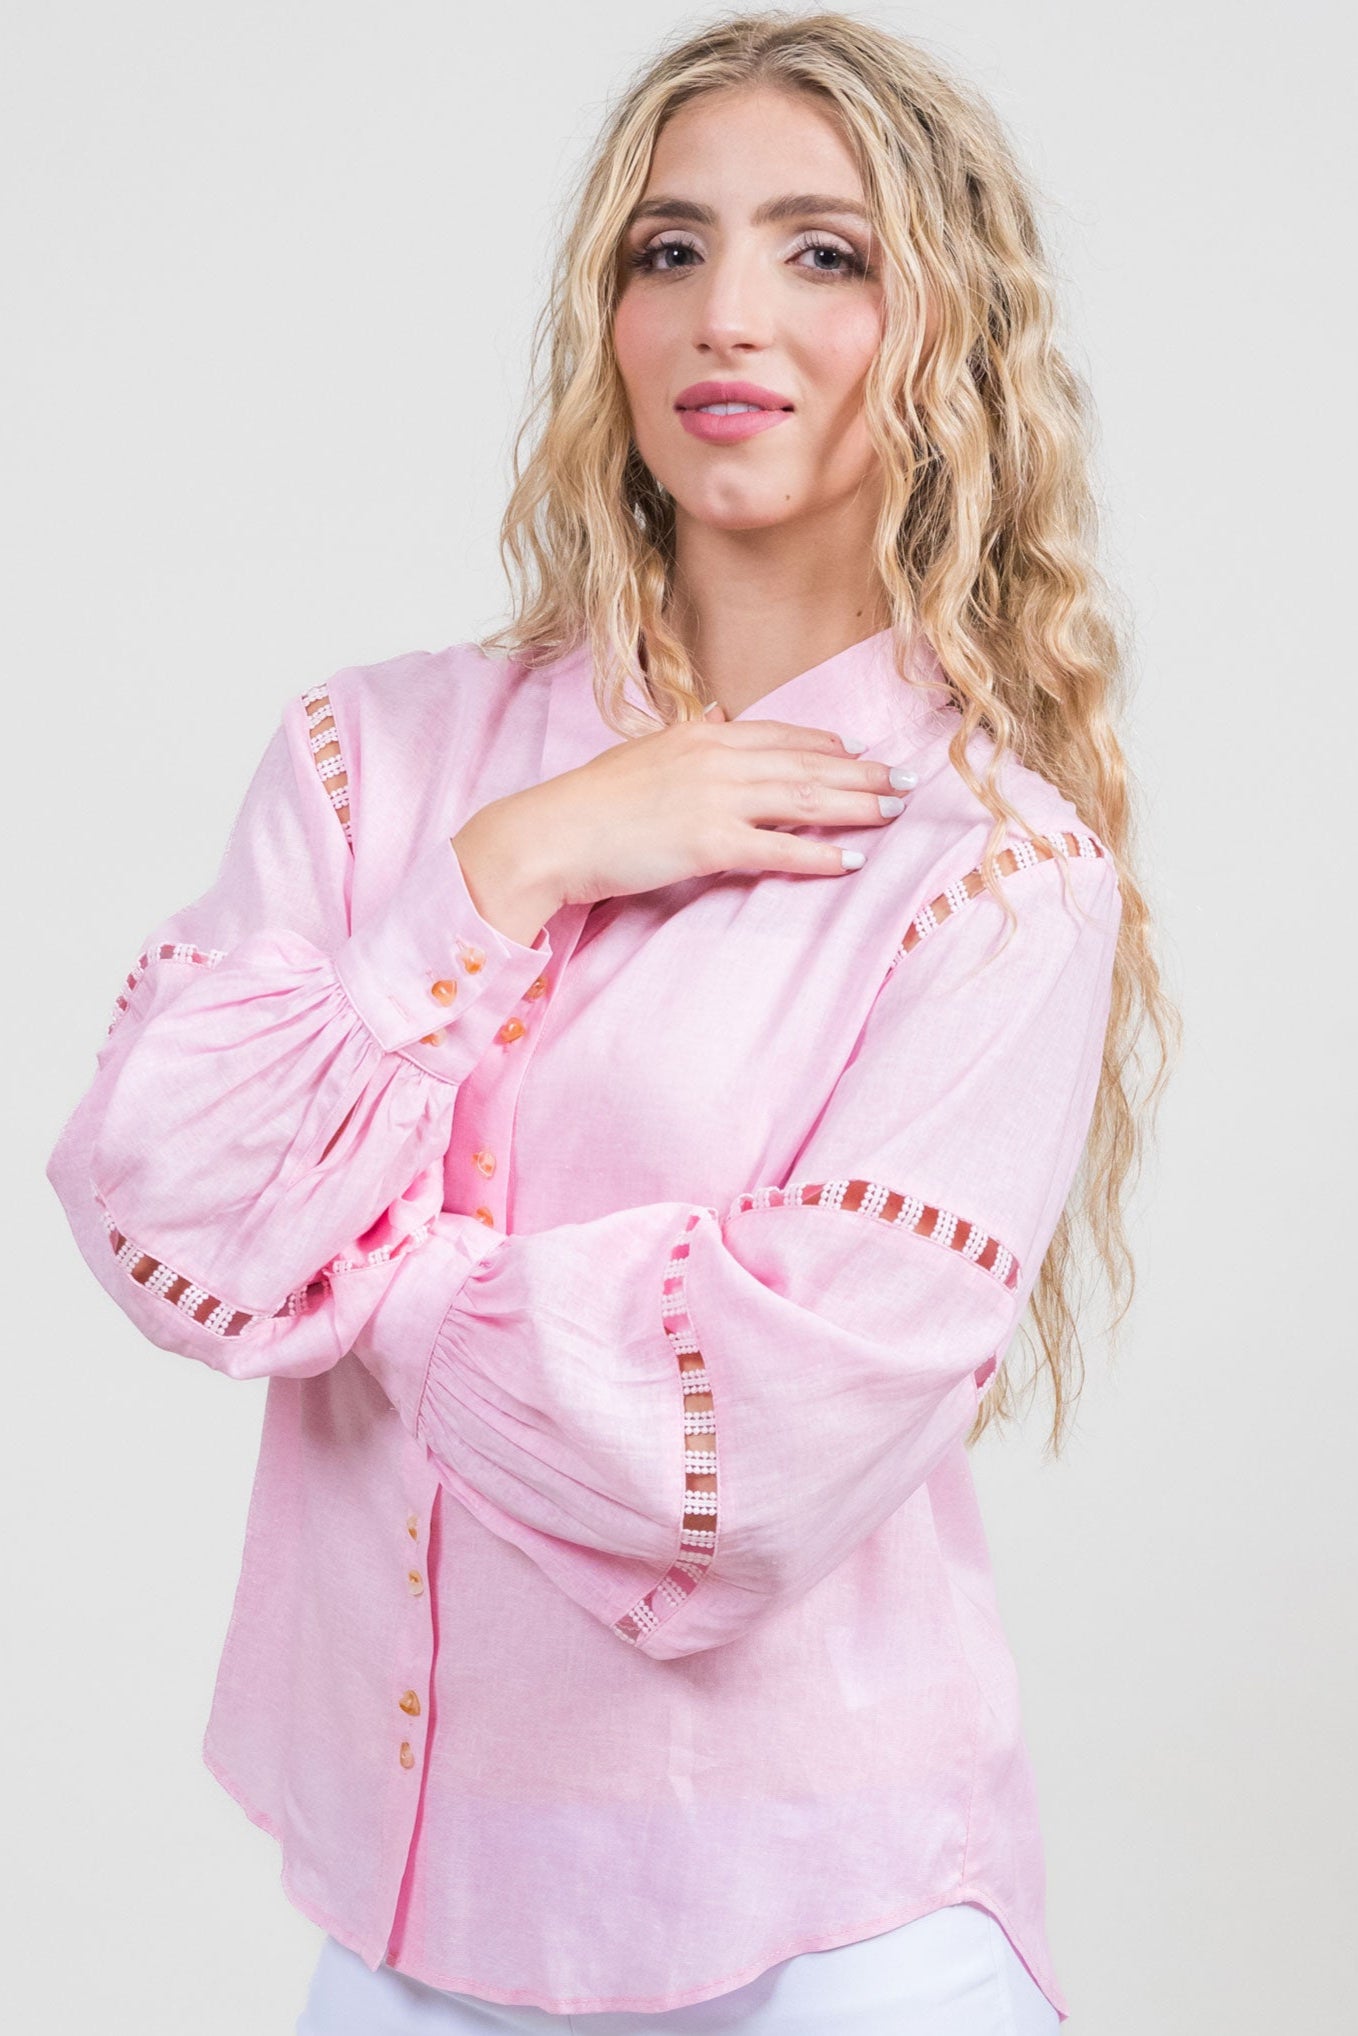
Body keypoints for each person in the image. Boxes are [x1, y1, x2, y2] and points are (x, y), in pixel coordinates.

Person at [46, 10, 1175, 2032]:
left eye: (823, 252)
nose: (728, 312)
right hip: (405, 1929)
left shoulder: (989, 872)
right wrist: (517, 860)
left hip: (824, 1934)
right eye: (670, 248)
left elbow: (744, 1460)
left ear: (949, 333)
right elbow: (162, 1202)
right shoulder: (376, 761)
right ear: (607, 313)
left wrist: (364, 1281)